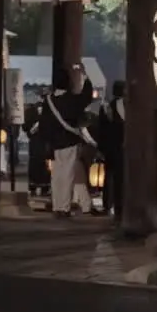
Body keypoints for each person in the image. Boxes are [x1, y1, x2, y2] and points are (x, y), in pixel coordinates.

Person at [34, 63, 95, 218]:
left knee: (57, 175)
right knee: (68, 175)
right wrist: (84, 75)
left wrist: (46, 142)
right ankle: (64, 207)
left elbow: (44, 124)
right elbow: (87, 96)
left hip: (55, 143)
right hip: (69, 141)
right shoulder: (71, 100)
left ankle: (57, 205)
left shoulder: (49, 101)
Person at [95, 80, 126, 219]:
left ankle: (108, 204)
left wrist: (100, 148)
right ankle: (119, 205)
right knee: (120, 178)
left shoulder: (106, 107)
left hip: (110, 148)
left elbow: (101, 130)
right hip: (122, 147)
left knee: (110, 177)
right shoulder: (130, 106)